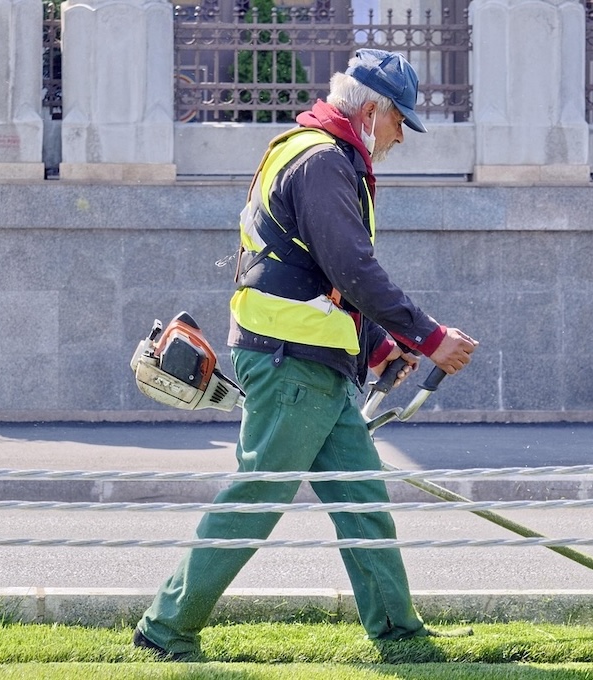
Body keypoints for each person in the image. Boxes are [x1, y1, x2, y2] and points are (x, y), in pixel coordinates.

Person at [133, 48, 479, 660]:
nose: (402, 136)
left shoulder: (310, 152)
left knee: (362, 503)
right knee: (258, 496)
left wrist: (373, 348)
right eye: (401, 121)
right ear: (372, 110)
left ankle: (400, 639)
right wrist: (429, 338)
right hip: (292, 363)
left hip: (307, 359)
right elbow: (352, 266)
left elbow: (316, 272)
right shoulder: (323, 161)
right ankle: (165, 629)